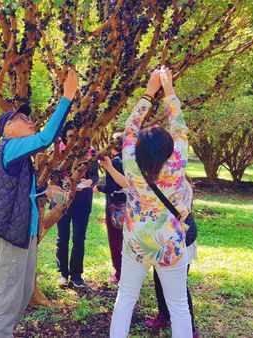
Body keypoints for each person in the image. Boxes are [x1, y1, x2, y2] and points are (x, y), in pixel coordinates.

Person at [100, 67, 193, 338]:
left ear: (138, 147)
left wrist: (149, 92)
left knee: (125, 299)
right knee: (178, 308)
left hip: (136, 241)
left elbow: (130, 128)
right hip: (170, 244)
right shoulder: (177, 164)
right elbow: (180, 127)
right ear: (169, 149)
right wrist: (169, 89)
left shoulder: (130, 162)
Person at [0, 69, 78, 338]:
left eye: (29, 117)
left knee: (23, 292)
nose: (29, 121)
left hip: (24, 234)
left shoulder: (18, 156)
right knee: (6, 299)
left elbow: (16, 193)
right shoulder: (8, 146)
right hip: (13, 237)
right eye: (21, 118)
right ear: (7, 129)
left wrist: (42, 191)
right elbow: (45, 139)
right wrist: (67, 97)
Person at [146, 175, 199, 337]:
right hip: (163, 239)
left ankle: (190, 328)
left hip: (180, 238)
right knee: (158, 279)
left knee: (179, 287)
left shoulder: (181, 182)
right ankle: (164, 315)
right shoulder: (159, 179)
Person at [55, 121, 99, 288]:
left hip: (83, 199)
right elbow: (52, 174)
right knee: (62, 237)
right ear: (64, 137)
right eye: (69, 137)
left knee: (79, 238)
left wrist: (88, 181)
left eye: (76, 136)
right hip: (61, 197)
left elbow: (94, 177)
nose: (73, 140)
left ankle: (76, 275)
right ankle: (62, 274)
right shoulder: (58, 152)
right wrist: (64, 182)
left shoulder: (90, 152)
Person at [95, 132, 126, 284]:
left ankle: (120, 273)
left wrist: (97, 188)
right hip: (130, 206)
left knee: (116, 240)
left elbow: (111, 187)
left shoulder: (116, 162)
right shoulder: (131, 161)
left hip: (116, 206)